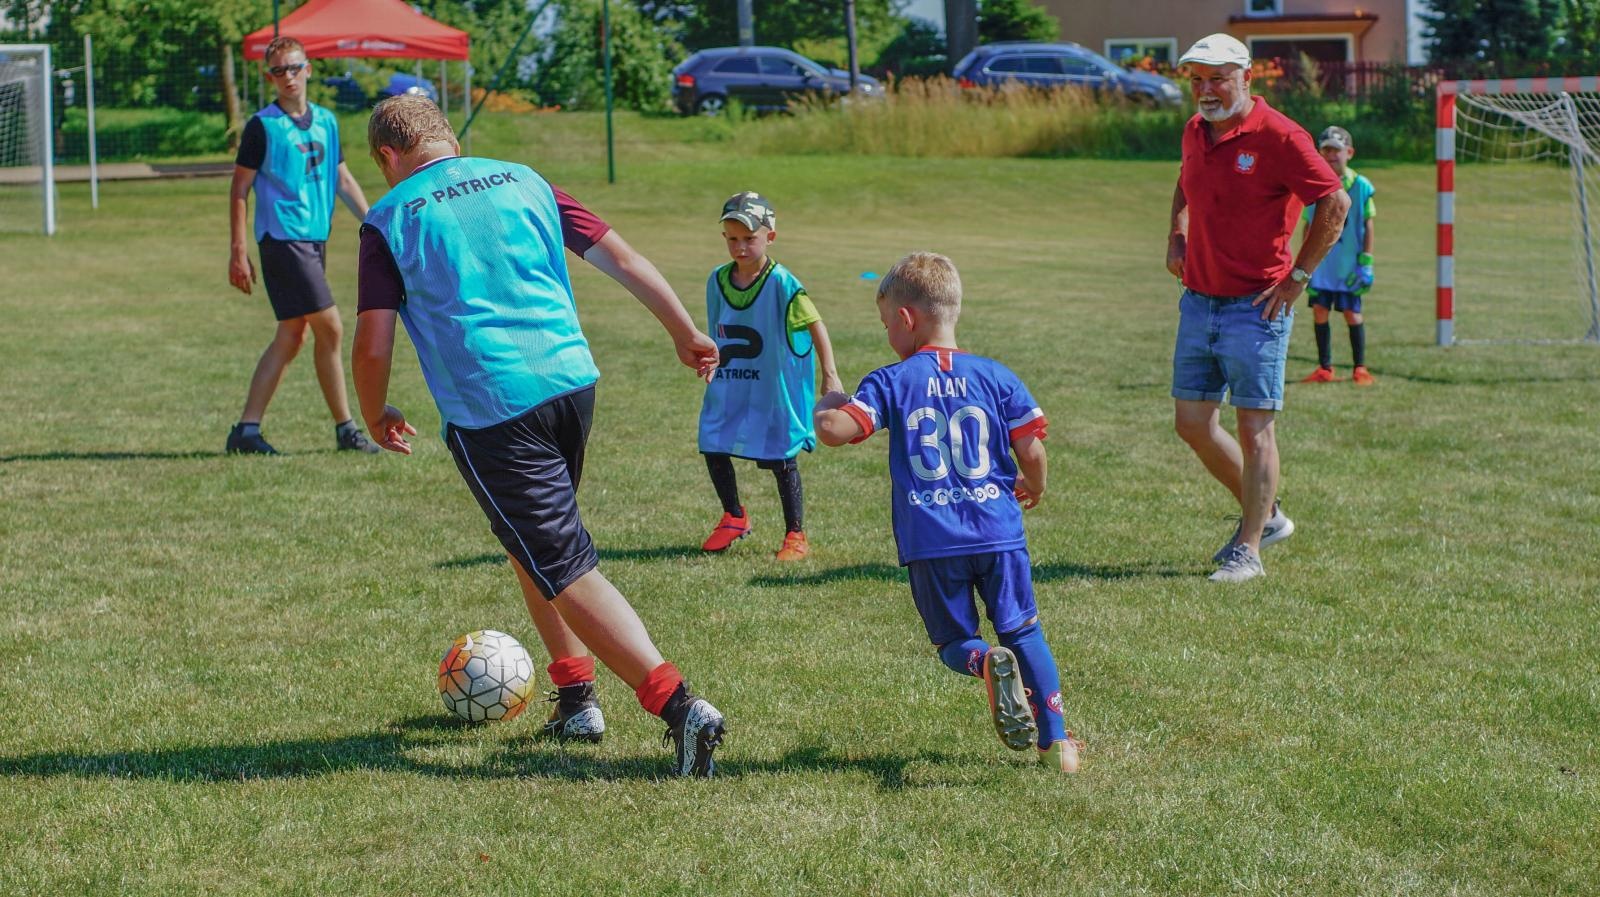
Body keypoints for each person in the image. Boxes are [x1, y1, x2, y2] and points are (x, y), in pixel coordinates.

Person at [351, 95, 728, 777]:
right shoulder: (525, 179)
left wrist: (373, 411)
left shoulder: (389, 218)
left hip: (496, 406)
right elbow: (623, 257)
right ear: (446, 136)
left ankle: (680, 706)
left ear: (387, 156)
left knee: (564, 564)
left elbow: (373, 342)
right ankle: (577, 694)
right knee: (532, 544)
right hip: (571, 383)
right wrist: (684, 330)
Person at [814, 252, 1082, 773]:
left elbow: (834, 432)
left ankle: (984, 663)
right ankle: (1059, 745)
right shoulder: (997, 376)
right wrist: (1036, 486)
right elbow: (1030, 449)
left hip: (933, 538)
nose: (889, 334)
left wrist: (830, 399)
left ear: (907, 319)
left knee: (955, 641)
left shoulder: (892, 381)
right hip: (999, 530)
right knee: (1024, 630)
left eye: (887, 323)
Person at [1165, 34, 1350, 582]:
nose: (1206, 90)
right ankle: (1266, 516)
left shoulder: (1281, 136)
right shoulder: (1196, 130)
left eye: (1218, 78)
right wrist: (1176, 231)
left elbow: (1334, 201)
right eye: (1197, 80)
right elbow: (1185, 180)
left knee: (1255, 428)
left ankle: (1249, 548)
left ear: (1247, 77)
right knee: (1192, 423)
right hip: (1198, 299)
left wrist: (1298, 277)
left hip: (1259, 305)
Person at [225, 35, 378, 455]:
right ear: (269, 76)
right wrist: (238, 250)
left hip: (314, 240)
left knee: (292, 336)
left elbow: (343, 179)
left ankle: (246, 432)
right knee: (330, 325)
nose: (288, 77)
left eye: (294, 68)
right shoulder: (263, 126)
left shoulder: (327, 120)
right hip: (282, 240)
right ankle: (347, 427)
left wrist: (375, 225)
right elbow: (240, 189)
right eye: (279, 71)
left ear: (308, 69)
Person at [698, 192, 842, 561]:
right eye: (732, 238)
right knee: (713, 443)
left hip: (771, 391)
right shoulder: (717, 280)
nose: (740, 246)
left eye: (749, 238)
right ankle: (733, 516)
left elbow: (815, 324)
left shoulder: (781, 283)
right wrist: (709, 359)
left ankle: (796, 534)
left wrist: (830, 375)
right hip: (731, 385)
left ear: (770, 237)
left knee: (780, 458)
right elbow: (719, 331)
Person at [1298, 126, 1377, 386]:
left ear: (1349, 152)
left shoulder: (1362, 186)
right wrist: (1302, 263)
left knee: (1352, 314)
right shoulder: (1315, 186)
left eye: (1336, 150)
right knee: (1320, 310)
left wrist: (1366, 260)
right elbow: (1308, 226)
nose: (1331, 155)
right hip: (1322, 265)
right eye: (1326, 150)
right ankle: (1325, 367)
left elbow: (1367, 224)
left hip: (1348, 265)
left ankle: (1360, 368)